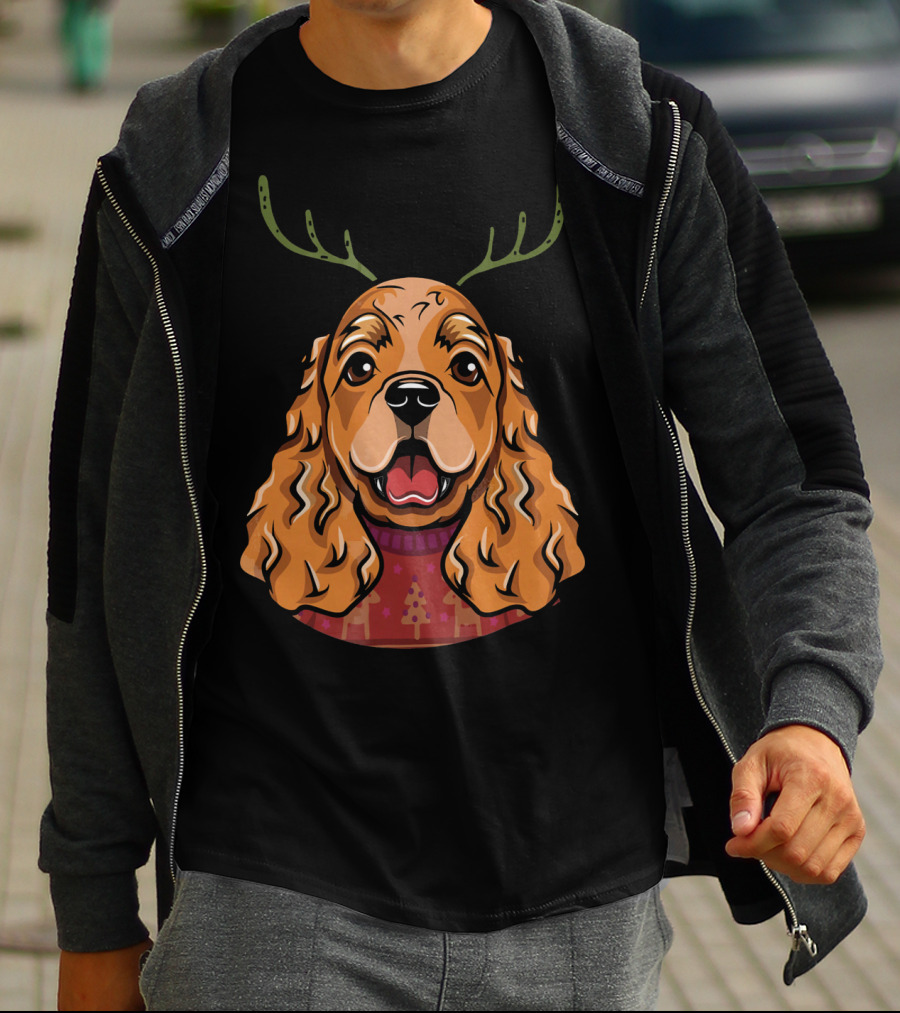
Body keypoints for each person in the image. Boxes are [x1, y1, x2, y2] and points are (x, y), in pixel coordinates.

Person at [41, 0, 881, 1009]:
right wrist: (93, 908)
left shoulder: (637, 137)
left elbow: (797, 479)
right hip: (267, 898)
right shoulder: (174, 166)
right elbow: (89, 555)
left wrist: (813, 716)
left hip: (582, 902)